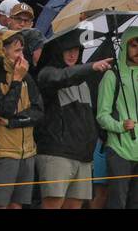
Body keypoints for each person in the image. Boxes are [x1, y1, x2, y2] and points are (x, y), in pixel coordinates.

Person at [37, 25, 110, 210]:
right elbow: (64, 77)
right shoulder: (47, 73)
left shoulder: (83, 80)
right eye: (67, 50)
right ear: (58, 51)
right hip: (57, 154)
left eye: (76, 50)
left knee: (75, 206)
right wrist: (91, 67)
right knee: (53, 204)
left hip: (83, 156)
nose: (72, 54)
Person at [0, 29, 43, 210]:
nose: (21, 56)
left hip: (27, 152)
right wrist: (16, 80)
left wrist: (13, 122)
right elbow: (5, 109)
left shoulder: (27, 77)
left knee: (17, 205)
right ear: (1, 51)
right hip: (0, 153)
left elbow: (38, 111)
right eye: (16, 51)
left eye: (22, 50)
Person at [97, 26, 138, 209]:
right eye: (134, 45)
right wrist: (121, 125)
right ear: (125, 47)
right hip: (119, 149)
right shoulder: (112, 75)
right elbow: (101, 115)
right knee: (117, 203)